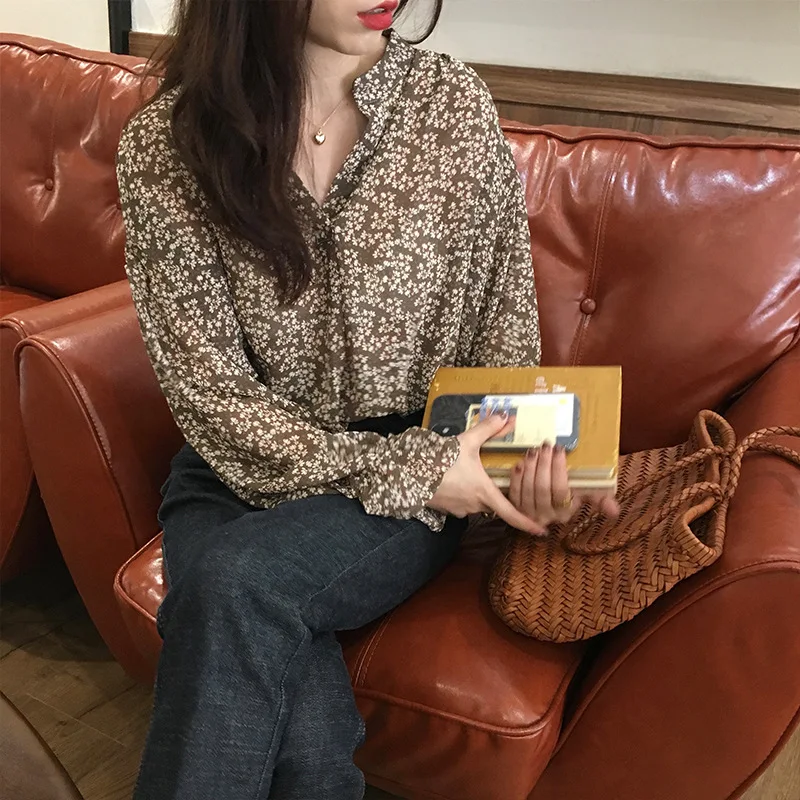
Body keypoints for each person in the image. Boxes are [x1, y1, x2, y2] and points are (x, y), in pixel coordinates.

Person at [117, 1, 619, 797]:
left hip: (408, 479)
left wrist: (522, 465)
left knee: (234, 584)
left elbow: (502, 335)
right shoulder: (167, 145)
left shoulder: (450, 108)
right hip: (237, 462)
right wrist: (415, 471)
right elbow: (211, 397)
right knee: (304, 730)